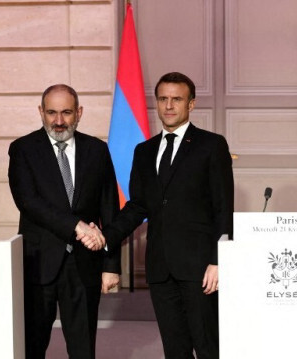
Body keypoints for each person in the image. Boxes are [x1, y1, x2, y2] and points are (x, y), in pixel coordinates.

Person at [81, 72, 234, 358]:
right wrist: (105, 236)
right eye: (163, 99)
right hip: (161, 268)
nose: (169, 106)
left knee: (208, 347)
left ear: (191, 104)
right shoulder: (144, 150)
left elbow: (223, 208)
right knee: (174, 350)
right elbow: (138, 206)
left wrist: (218, 260)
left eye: (177, 99)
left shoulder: (211, 146)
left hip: (201, 269)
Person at [8, 84, 119, 359]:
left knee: (83, 349)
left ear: (79, 112)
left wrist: (111, 265)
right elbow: (29, 202)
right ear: (41, 112)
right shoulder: (23, 149)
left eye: (67, 112)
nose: (59, 121)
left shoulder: (97, 150)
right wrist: (76, 226)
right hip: (38, 264)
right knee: (31, 347)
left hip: (84, 266)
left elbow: (110, 210)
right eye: (52, 113)